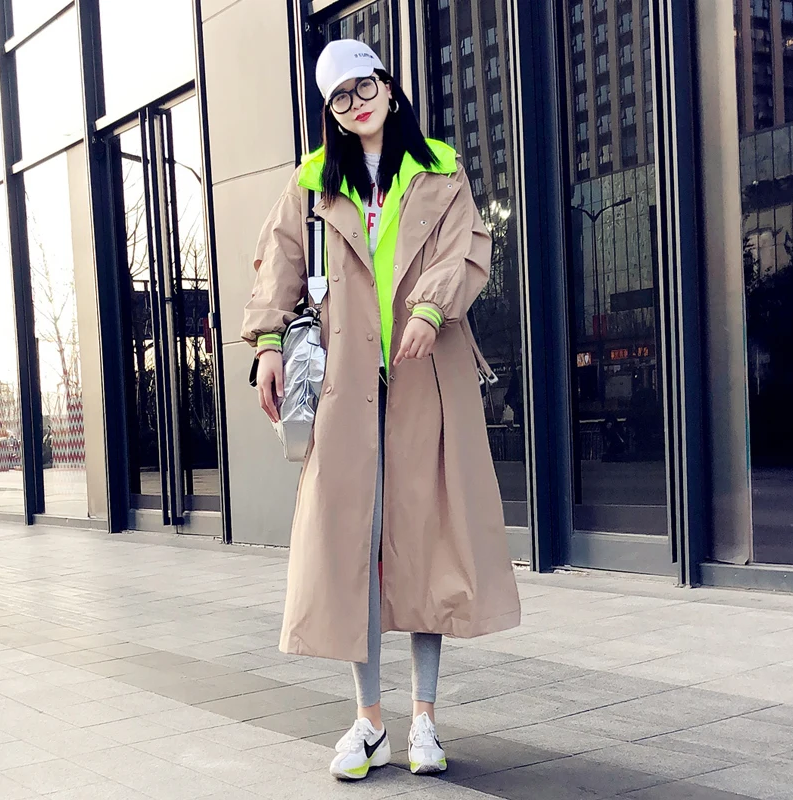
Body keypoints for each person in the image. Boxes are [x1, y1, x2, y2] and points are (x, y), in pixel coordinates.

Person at [241, 39, 520, 781]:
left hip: (427, 379)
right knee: (351, 551)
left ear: (388, 89)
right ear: (329, 112)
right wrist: (267, 344)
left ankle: (424, 719)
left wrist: (430, 307)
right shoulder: (311, 183)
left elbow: (466, 251)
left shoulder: (439, 168)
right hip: (346, 388)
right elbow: (276, 264)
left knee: (428, 545)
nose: (355, 102)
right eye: (339, 96)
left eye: (364, 86)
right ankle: (369, 723)